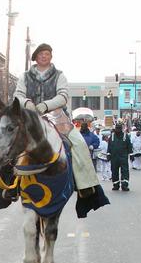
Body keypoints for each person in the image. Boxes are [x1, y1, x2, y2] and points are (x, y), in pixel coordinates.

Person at [12, 43, 109, 216]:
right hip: (30, 116)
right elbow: (18, 96)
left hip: (57, 116)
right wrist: (27, 104)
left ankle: (86, 186)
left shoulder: (59, 75)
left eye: (48, 53)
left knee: (78, 143)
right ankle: (7, 187)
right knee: (8, 142)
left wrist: (45, 105)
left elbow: (63, 96)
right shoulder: (25, 76)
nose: (45, 56)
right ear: (36, 56)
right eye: (42, 53)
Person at [108, 123, 132, 191]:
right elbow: (109, 146)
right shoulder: (112, 136)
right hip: (114, 157)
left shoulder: (125, 136)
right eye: (116, 128)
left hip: (123, 157)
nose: (117, 130)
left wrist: (131, 155)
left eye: (119, 128)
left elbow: (129, 146)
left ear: (121, 129)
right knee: (114, 171)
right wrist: (108, 154)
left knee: (124, 171)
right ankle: (116, 185)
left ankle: (124, 185)